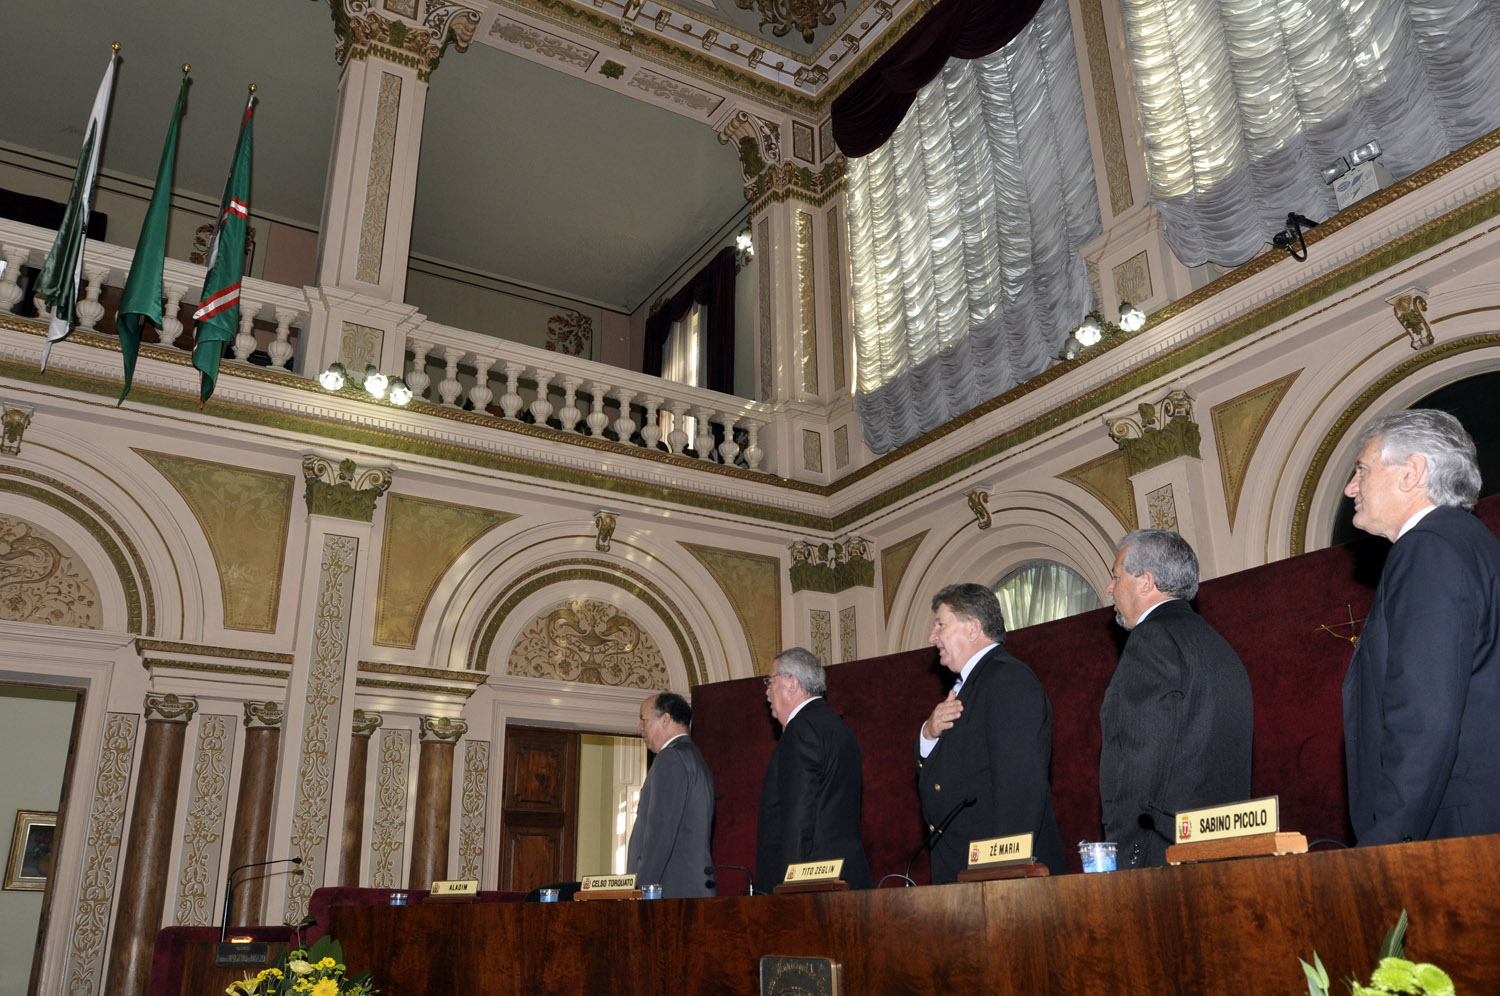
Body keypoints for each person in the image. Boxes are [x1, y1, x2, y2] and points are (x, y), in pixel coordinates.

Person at [1342, 408, 1500, 845]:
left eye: (1362, 470)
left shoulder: (1428, 548)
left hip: (1448, 836)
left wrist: (1386, 844)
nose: (1350, 487)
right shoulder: (1472, 544)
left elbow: (1423, 714)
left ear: (1411, 473)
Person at [1100, 529, 1254, 868]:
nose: (1109, 588)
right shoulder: (1217, 645)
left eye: (1116, 576)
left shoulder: (1151, 639)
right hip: (1222, 852)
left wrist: (1124, 856)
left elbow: (1139, 759)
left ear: (1146, 581)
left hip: (1161, 860)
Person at [918, 584, 1066, 882]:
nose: (933, 637)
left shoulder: (1007, 679)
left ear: (973, 628)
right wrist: (928, 734)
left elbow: (1019, 788)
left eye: (941, 625)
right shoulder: (972, 684)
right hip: (964, 868)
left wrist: (1004, 869)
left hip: (997, 877)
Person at [754, 648, 873, 894]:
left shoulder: (801, 730)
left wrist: (792, 889)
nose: (766, 691)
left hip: (813, 886)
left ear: (792, 684)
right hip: (843, 876)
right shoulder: (839, 727)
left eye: (770, 681)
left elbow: (798, 818)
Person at [625, 692, 716, 897]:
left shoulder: (671, 758)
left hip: (671, 894)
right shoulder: (695, 758)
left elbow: (659, 834)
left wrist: (641, 892)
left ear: (665, 719)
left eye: (643, 720)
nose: (639, 728)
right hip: (691, 890)